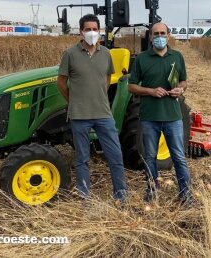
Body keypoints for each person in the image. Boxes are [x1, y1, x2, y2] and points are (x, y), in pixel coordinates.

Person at [57, 14, 127, 204]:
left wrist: (98, 96)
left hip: (103, 114)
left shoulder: (106, 53)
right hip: (80, 116)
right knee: (82, 159)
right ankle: (84, 196)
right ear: (81, 31)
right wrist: (74, 101)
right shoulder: (70, 54)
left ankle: (120, 195)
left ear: (100, 31)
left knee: (115, 155)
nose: (92, 33)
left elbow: (106, 78)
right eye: (88, 29)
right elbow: (61, 83)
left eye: (95, 29)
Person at [128, 22, 193, 204]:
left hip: (173, 118)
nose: (159, 37)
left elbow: (183, 81)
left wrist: (180, 89)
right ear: (150, 37)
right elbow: (131, 87)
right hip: (149, 118)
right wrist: (150, 91)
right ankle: (152, 190)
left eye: (162, 33)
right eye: (155, 34)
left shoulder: (177, 57)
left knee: (179, 157)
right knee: (150, 157)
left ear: (169, 35)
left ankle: (186, 194)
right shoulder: (142, 59)